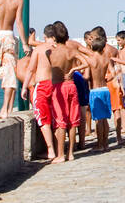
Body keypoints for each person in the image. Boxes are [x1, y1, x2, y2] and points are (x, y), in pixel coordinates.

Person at [23, 22, 84, 162]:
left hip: (44, 86)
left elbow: (31, 69)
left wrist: (24, 87)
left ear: (46, 36)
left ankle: (51, 150)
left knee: (45, 118)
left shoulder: (42, 50)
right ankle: (63, 151)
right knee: (62, 118)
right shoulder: (63, 49)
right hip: (58, 84)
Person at [82, 33, 116, 153]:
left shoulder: (90, 60)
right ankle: (106, 143)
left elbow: (86, 76)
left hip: (95, 90)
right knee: (105, 119)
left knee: (98, 120)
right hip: (105, 89)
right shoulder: (106, 58)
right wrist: (107, 78)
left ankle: (100, 144)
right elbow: (113, 72)